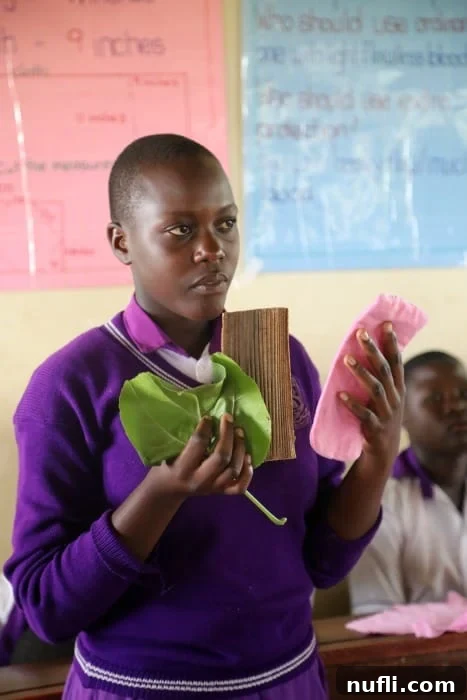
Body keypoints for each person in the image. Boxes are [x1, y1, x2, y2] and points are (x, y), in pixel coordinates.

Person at [5, 134, 404, 699]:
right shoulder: (70, 385)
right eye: (180, 230)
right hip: (139, 689)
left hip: (286, 681)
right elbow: (46, 608)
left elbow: (321, 563)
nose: (212, 249)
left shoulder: (274, 356)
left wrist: (377, 457)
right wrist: (162, 494)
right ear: (122, 242)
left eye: (226, 224)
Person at [349, 351, 467, 616]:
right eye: (435, 399)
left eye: (463, 395)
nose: (456, 407)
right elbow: (377, 617)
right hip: (422, 655)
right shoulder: (379, 502)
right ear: (400, 415)